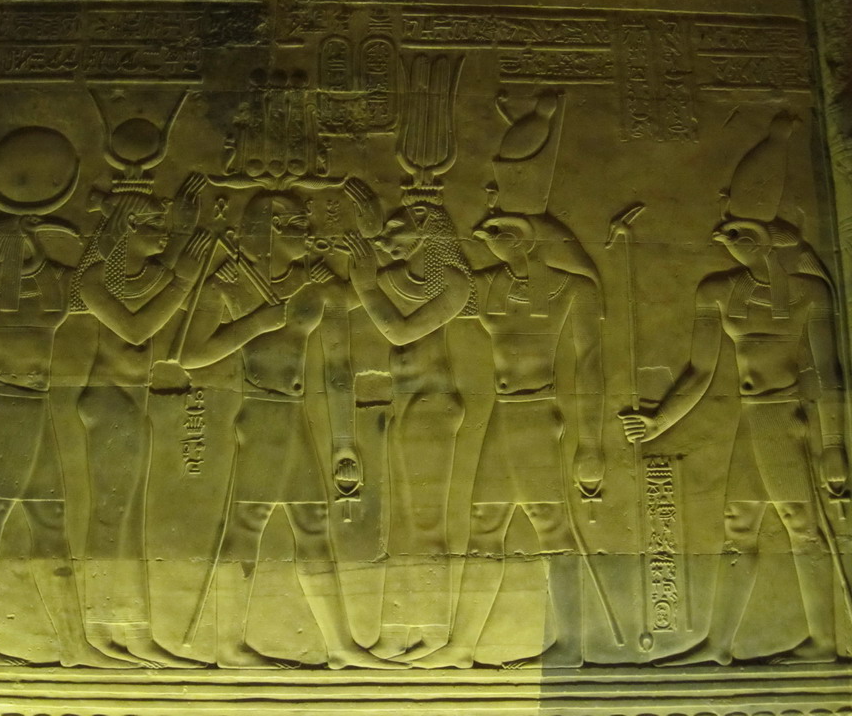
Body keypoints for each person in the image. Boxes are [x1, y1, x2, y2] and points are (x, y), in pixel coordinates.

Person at [620, 214, 848, 664]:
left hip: (785, 421)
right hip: (751, 420)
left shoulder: (809, 292)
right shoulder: (718, 290)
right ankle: (720, 644)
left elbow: (829, 375)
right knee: (739, 526)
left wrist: (834, 445)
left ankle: (824, 641)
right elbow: (700, 372)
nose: (724, 239)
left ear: (768, 242)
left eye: (739, 234)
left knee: (802, 526)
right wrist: (658, 421)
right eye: (726, 234)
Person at [188, 190, 396, 669]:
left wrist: (344, 442)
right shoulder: (231, 282)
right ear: (266, 232)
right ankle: (228, 645)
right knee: (248, 523)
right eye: (295, 226)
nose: (307, 233)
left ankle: (339, 647)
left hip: (294, 417)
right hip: (260, 419)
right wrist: (255, 323)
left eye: (305, 224)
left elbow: (338, 369)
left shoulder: (319, 289)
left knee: (313, 525)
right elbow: (193, 353)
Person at [0, 211, 126, 667]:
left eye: (34, 236)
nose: (31, 246)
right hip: (6, 416)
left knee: (50, 526)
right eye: (21, 236)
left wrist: (114, 223)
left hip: (37, 415)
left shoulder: (55, 282)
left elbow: (104, 280)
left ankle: (73, 645)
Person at [414, 212, 604, 668]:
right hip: (503, 416)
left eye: (496, 231)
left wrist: (591, 443)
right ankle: (462, 646)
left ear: (523, 239)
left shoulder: (572, 289)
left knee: (551, 526)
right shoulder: (485, 285)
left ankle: (572, 644)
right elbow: (427, 296)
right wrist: (430, 231)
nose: (485, 237)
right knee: (484, 526)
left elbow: (591, 367)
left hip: (539, 418)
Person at [72, 174, 212, 667]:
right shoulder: (94, 280)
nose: (165, 234)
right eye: (156, 225)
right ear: (128, 226)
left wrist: (187, 230)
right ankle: (97, 631)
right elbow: (135, 330)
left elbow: (172, 280)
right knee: (110, 517)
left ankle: (133, 632)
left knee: (131, 522)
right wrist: (183, 279)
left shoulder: (148, 275)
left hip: (133, 404)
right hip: (108, 403)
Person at [344, 184, 475, 661]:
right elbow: (348, 296)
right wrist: (365, 245)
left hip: (432, 407)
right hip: (406, 405)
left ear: (426, 231)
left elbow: (399, 332)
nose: (386, 240)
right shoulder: (394, 276)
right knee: (400, 522)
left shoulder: (454, 284)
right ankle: (400, 626)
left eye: (396, 230)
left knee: (426, 521)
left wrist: (365, 285)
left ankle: (434, 631)